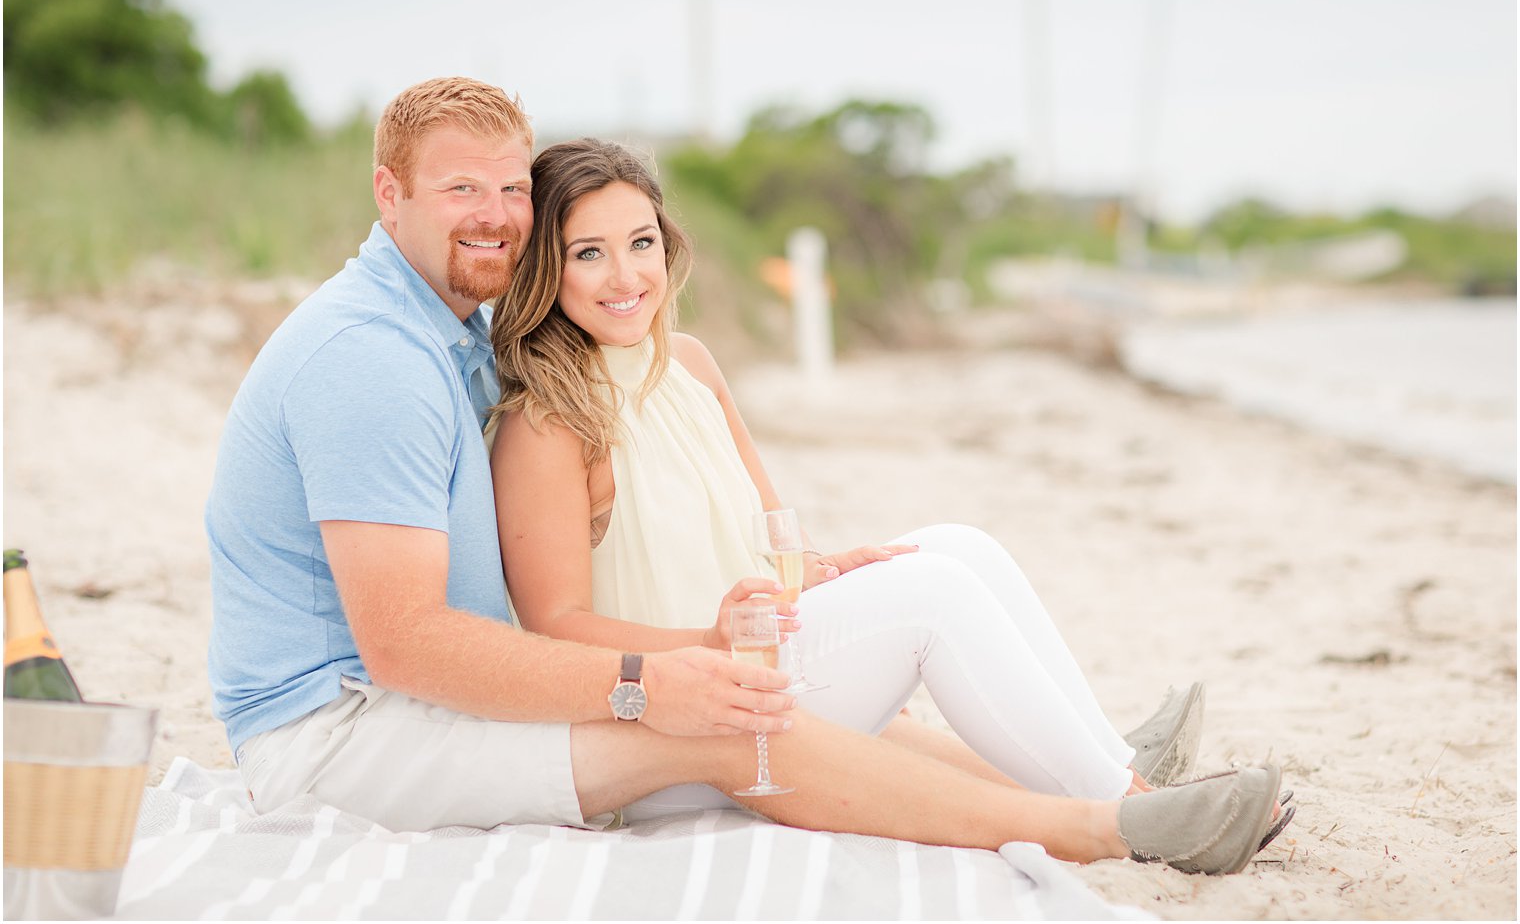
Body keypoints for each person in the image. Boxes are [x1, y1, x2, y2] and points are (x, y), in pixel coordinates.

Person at [206, 76, 1286, 876]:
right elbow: (404, 642)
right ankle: (1106, 818)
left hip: (430, 691)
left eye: (507, 187)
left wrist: (790, 582)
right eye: (458, 188)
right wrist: (644, 678)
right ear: (388, 194)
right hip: (344, 729)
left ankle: (1089, 763)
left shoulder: (453, 324)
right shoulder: (371, 360)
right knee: (746, 704)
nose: (493, 211)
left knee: (938, 558)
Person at [489, 136, 1292, 835]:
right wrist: (705, 646)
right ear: (545, 271)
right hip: (683, 732)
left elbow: (776, 542)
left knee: (953, 547)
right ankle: (1130, 804)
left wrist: (825, 568)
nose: (625, 274)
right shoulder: (548, 422)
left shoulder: (689, 365)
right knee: (931, 594)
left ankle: (1112, 766)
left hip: (757, 666)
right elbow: (555, 628)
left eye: (640, 242)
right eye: (587, 252)